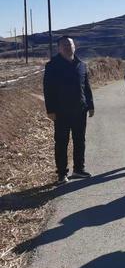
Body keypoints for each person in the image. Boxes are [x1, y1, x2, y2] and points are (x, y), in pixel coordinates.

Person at [43, 36, 94, 184]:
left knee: (80, 140)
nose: (67, 47)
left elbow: (86, 87)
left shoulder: (81, 65)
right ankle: (61, 174)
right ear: (58, 48)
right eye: (64, 45)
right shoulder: (52, 65)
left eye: (70, 44)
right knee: (61, 142)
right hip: (61, 112)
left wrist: (90, 105)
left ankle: (78, 169)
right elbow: (48, 89)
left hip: (80, 109)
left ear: (74, 46)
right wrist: (50, 110)